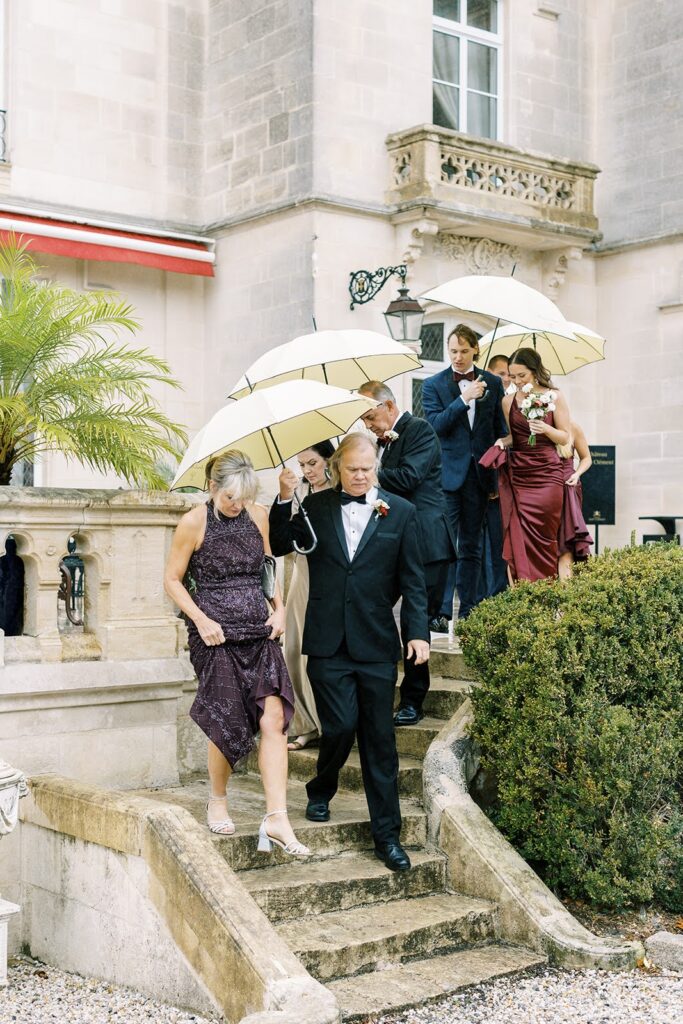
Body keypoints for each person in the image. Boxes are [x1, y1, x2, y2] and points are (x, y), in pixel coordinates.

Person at [269, 433, 429, 872]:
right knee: (338, 725)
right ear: (337, 468)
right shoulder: (315, 507)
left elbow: (414, 580)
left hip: (376, 642)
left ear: (375, 466)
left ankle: (388, 837)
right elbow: (281, 543)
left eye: (367, 469)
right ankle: (321, 788)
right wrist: (285, 499)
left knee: (380, 741)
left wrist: (417, 634)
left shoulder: (403, 512)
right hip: (328, 642)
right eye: (352, 469)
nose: (360, 476)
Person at [164, 450, 309, 857]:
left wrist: (278, 608)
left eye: (243, 497)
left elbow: (267, 569)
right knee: (225, 713)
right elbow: (173, 580)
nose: (237, 504)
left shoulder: (258, 515)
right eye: (230, 497)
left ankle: (277, 817)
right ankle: (218, 798)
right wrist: (201, 620)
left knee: (275, 716)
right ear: (213, 488)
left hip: (258, 631)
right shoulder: (194, 521)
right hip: (215, 635)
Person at [357, 380, 455, 727]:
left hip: (426, 542)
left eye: (370, 417)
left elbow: (411, 477)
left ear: (388, 406)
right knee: (372, 608)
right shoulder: (382, 441)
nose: (368, 425)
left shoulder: (420, 430)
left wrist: (369, 473)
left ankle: (413, 700)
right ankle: (376, 688)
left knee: (416, 622)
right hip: (393, 542)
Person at [422, 324, 507, 622]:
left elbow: (500, 430)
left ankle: (471, 609)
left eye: (463, 351)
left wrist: (497, 467)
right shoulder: (432, 384)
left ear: (475, 351)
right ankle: (441, 611)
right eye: (453, 351)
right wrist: (464, 398)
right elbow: (434, 426)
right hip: (447, 477)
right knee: (446, 545)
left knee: (472, 545)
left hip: (480, 476)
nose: (457, 357)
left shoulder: (494, 384)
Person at [491, 349, 571, 582]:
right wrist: (501, 442)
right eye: (512, 376)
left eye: (521, 376)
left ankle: (549, 595)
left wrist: (545, 428)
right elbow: (515, 438)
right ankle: (525, 595)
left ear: (535, 372)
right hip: (520, 476)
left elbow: (565, 437)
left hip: (548, 475)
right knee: (519, 540)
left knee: (545, 538)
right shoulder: (508, 401)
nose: (516, 382)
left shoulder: (554, 396)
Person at [278, 441, 335, 750]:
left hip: (334, 574)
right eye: (302, 465)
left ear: (328, 460)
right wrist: (287, 498)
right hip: (303, 570)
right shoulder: (299, 492)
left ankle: (330, 722)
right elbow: (283, 540)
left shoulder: (343, 488)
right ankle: (305, 723)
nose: (307, 470)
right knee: (294, 647)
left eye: (312, 463)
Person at [557, 421, 593, 579]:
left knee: (567, 543)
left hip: (568, 488)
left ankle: (566, 598)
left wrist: (577, 474)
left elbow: (586, 458)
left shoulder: (573, 427)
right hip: (541, 491)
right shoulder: (537, 426)